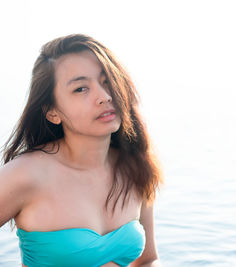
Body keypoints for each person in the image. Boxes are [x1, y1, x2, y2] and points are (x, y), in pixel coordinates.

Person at [0, 34, 164, 266]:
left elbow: (147, 260)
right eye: (80, 89)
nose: (104, 97)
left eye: (107, 82)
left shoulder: (135, 166)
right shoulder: (26, 174)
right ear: (52, 112)